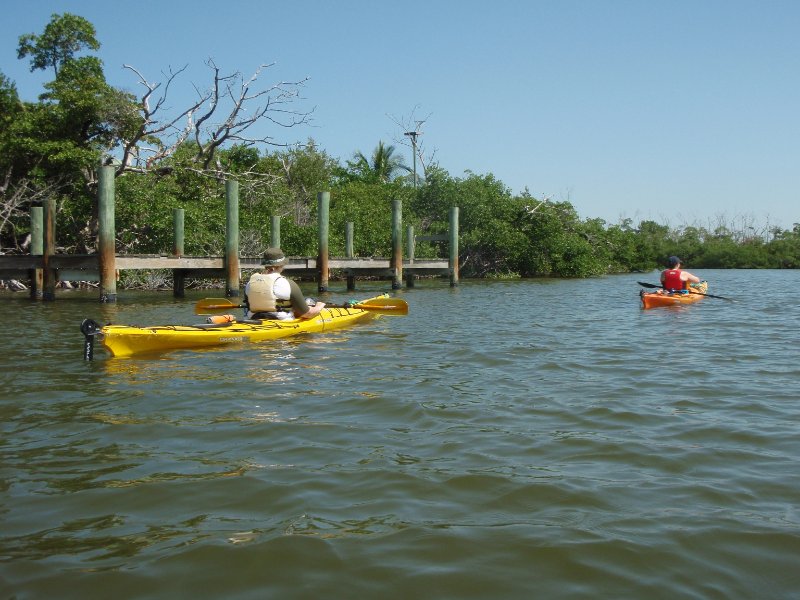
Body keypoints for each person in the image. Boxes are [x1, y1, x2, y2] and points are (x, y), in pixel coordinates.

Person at [244, 248, 325, 320]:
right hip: (281, 322)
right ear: (281, 265)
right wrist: (319, 306)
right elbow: (307, 314)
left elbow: (248, 308)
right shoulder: (288, 284)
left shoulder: (249, 283)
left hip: (253, 320)